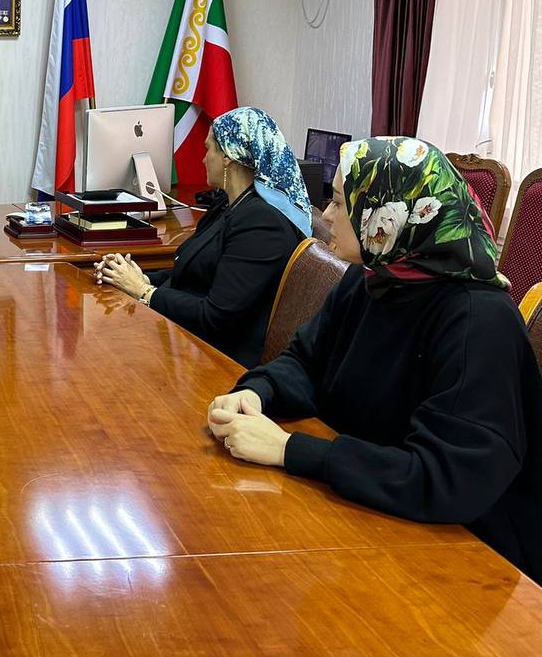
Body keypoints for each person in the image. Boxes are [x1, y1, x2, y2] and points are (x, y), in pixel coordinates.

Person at [206, 137, 542, 580]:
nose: (326, 216)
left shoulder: (478, 321)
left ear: (389, 215)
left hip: (466, 556)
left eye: (340, 202)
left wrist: (289, 450)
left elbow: (445, 479)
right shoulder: (372, 279)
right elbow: (306, 360)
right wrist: (257, 392)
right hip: (367, 513)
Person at [95, 106, 310, 368]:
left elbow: (216, 317)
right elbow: (192, 271)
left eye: (209, 149)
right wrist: (135, 276)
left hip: (218, 361)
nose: (203, 159)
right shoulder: (229, 205)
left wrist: (144, 291)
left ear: (228, 156)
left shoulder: (263, 225)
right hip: (187, 343)